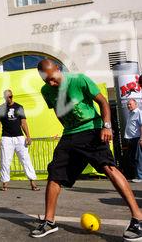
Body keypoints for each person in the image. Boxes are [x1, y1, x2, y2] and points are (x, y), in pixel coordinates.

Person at [31, 59, 142, 240]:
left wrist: (106, 126)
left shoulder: (79, 80)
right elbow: (59, 112)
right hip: (70, 135)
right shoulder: (46, 91)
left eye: (52, 78)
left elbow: (103, 102)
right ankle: (49, 221)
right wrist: (66, 130)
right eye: (46, 81)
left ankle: (138, 217)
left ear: (58, 69)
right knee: (55, 174)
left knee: (108, 167)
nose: (51, 83)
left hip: (92, 129)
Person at [0, 89, 39, 191]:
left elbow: (23, 122)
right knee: (5, 160)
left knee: (25, 159)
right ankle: (5, 184)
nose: (8, 99)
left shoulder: (19, 107)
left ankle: (33, 182)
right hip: (6, 138)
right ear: (4, 97)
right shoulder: (0, 109)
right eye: (6, 97)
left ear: (12, 96)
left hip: (19, 137)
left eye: (10, 97)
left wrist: (28, 136)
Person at [124, 99, 142, 182]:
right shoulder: (130, 113)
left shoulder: (139, 112)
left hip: (137, 138)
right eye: (128, 104)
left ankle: (140, 177)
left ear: (136, 104)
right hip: (130, 139)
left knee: (138, 158)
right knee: (132, 158)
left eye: (130, 104)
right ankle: (135, 175)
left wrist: (141, 138)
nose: (128, 106)